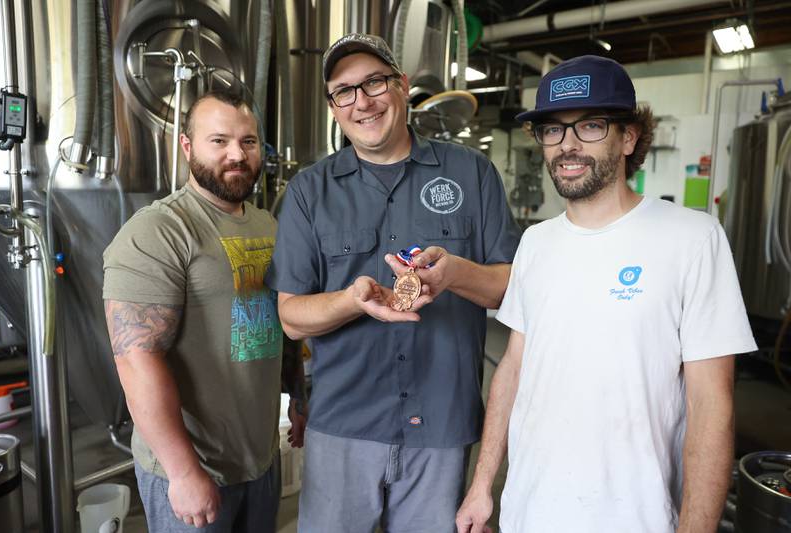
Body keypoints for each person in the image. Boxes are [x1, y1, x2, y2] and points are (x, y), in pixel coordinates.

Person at [456, 55, 757, 533]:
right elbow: (512, 369)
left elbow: (711, 406)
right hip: (528, 513)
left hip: (635, 517)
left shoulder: (693, 238)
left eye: (591, 126)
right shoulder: (535, 243)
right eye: (552, 130)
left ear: (629, 137)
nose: (567, 145)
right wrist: (481, 487)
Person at [265, 33, 521, 532]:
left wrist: (455, 274)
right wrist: (353, 300)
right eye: (344, 91)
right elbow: (291, 318)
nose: (361, 102)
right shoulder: (308, 193)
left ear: (401, 86)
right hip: (343, 426)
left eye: (374, 83)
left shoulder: (472, 175)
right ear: (333, 107)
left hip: (442, 426)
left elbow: (511, 288)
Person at [103, 90, 306, 532]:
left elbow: (283, 321)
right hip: (194, 467)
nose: (237, 154)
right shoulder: (158, 231)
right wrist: (182, 472)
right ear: (188, 146)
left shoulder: (267, 225)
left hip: (259, 459)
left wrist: (299, 397)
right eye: (219, 141)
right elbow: (135, 358)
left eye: (248, 142)